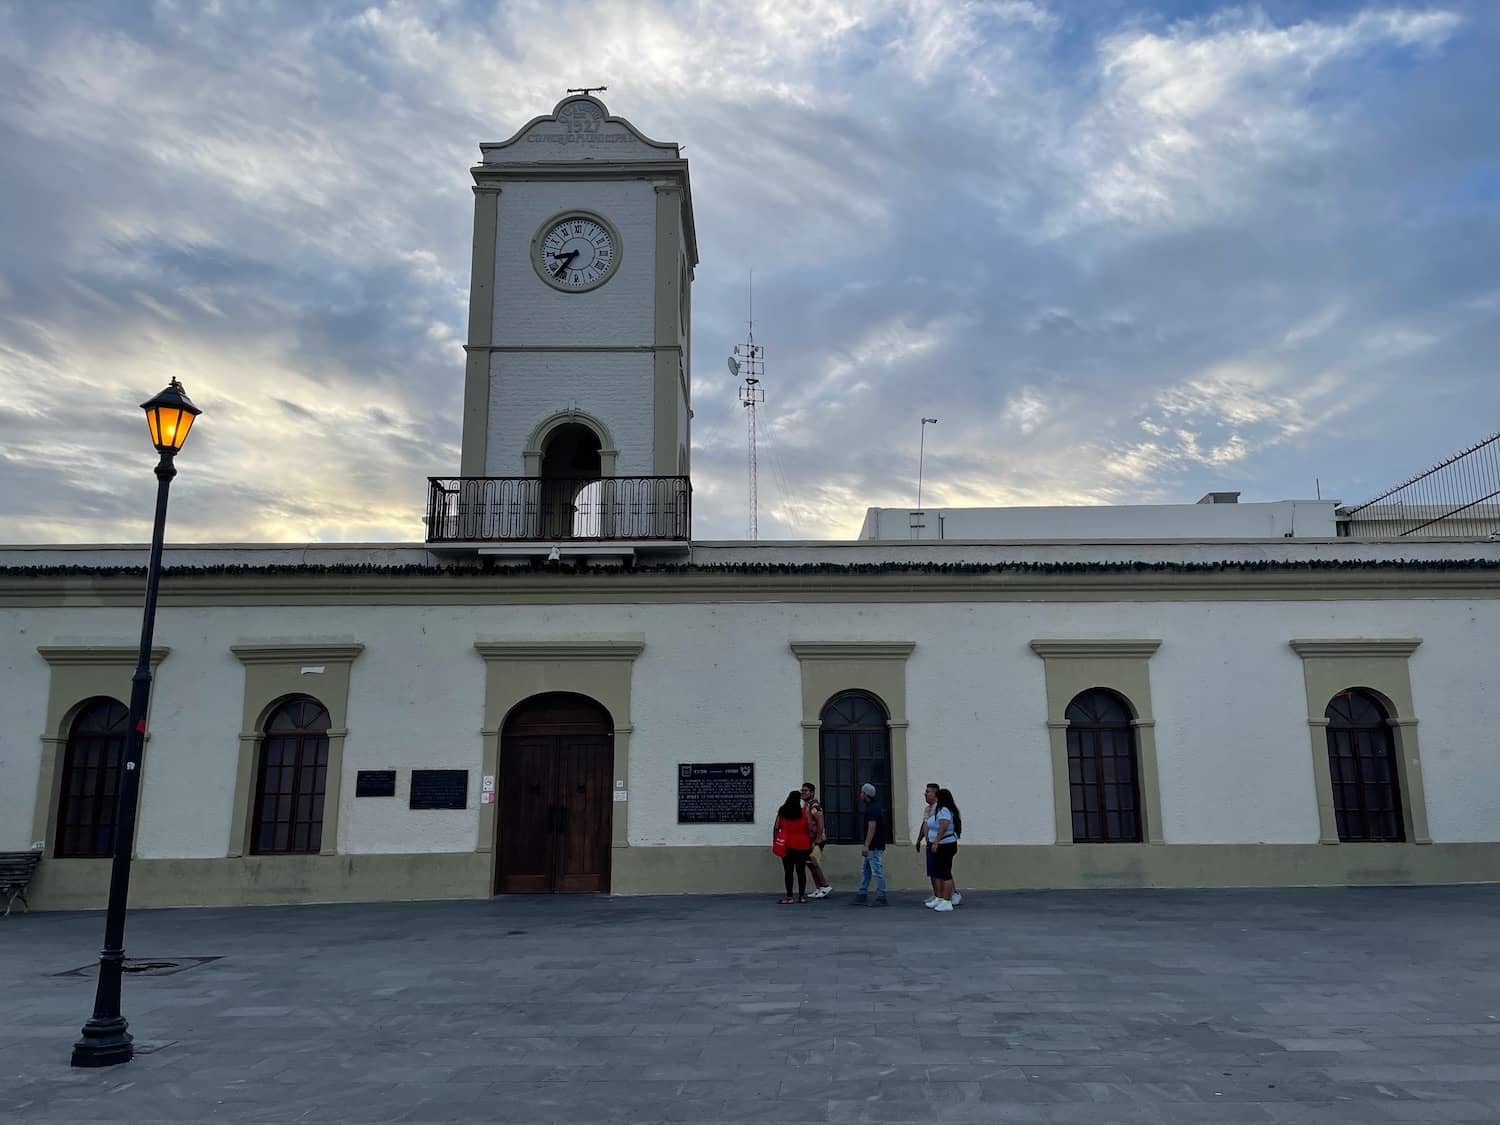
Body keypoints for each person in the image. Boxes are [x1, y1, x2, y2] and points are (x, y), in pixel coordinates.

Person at [916, 781, 962, 909]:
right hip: (939, 845)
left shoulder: (944, 810)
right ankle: (940, 898)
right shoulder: (939, 810)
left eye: (928, 792)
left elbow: (943, 826)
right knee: (938, 872)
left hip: (945, 845)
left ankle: (947, 900)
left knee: (944, 873)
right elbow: (927, 825)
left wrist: (936, 842)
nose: (925, 794)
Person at [848, 782, 888, 906]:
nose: (860, 795)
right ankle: (862, 893)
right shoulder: (874, 807)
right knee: (866, 870)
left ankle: (882, 896)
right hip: (874, 844)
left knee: (876, 870)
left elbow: (872, 827)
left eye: (862, 792)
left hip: (874, 845)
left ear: (866, 794)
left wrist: (866, 845)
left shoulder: (872, 809)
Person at [773, 790, 813, 904]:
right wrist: (811, 842)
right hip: (803, 844)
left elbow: (776, 827)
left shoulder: (782, 812)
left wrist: (775, 840)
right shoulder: (804, 812)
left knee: (788, 871)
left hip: (787, 844)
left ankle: (789, 897)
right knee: (801, 871)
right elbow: (809, 828)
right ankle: (802, 896)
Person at [801, 782, 833, 899]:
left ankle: (825, 886)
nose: (803, 793)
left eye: (806, 791)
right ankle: (819, 887)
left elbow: (820, 822)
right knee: (809, 863)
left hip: (817, 839)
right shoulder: (806, 805)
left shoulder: (814, 805)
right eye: (802, 790)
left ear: (812, 793)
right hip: (810, 839)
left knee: (814, 862)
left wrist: (818, 839)